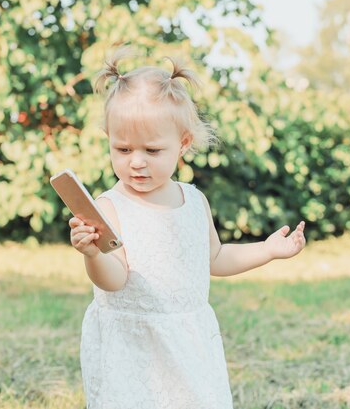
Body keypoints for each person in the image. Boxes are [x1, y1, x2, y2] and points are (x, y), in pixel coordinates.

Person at [68, 47, 306, 409]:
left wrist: (268, 250)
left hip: (188, 342)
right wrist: (92, 254)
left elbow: (216, 257)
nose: (136, 162)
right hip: (134, 347)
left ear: (182, 145)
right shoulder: (110, 207)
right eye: (122, 148)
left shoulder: (194, 201)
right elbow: (114, 279)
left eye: (151, 150)